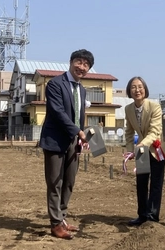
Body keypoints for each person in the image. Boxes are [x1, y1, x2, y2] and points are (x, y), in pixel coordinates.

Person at [39, 49, 94, 239]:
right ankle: (55, 224)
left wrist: (83, 133)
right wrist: (78, 131)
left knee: (69, 181)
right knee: (55, 182)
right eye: (79, 62)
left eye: (86, 65)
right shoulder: (55, 84)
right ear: (71, 62)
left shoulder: (82, 89)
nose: (82, 67)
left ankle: (62, 218)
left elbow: (79, 116)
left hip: (73, 141)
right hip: (55, 140)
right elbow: (58, 112)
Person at [124, 76, 165, 226]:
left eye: (140, 86)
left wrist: (141, 145)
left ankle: (152, 217)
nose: (137, 90)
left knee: (156, 184)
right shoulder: (128, 109)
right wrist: (130, 150)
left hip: (157, 148)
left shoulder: (154, 106)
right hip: (141, 150)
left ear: (145, 89)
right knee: (141, 183)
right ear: (129, 91)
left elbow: (155, 130)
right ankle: (142, 215)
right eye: (133, 87)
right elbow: (129, 132)